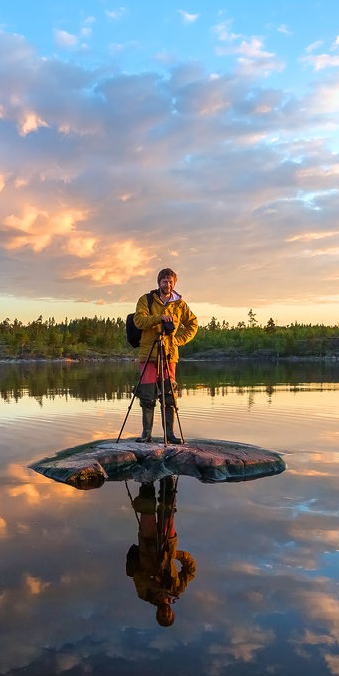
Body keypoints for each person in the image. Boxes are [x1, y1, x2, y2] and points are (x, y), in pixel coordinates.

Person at [132, 268, 198, 443]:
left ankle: (170, 434)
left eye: (170, 282)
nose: (167, 285)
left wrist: (178, 340)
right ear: (158, 282)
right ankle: (146, 434)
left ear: (174, 283)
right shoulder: (146, 300)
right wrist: (160, 318)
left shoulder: (179, 304)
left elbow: (193, 324)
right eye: (164, 281)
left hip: (169, 354)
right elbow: (138, 321)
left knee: (169, 395)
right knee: (147, 395)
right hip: (149, 354)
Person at [125, 477, 196, 627]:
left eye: (162, 617)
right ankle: (167, 479)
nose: (165, 614)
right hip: (168, 547)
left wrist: (159, 589)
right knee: (168, 511)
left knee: (147, 510)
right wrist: (178, 555)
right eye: (168, 616)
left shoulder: (145, 595)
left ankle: (147, 479)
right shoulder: (178, 590)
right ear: (172, 613)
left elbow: (138, 576)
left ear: (157, 614)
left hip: (148, 547)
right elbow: (190, 571)